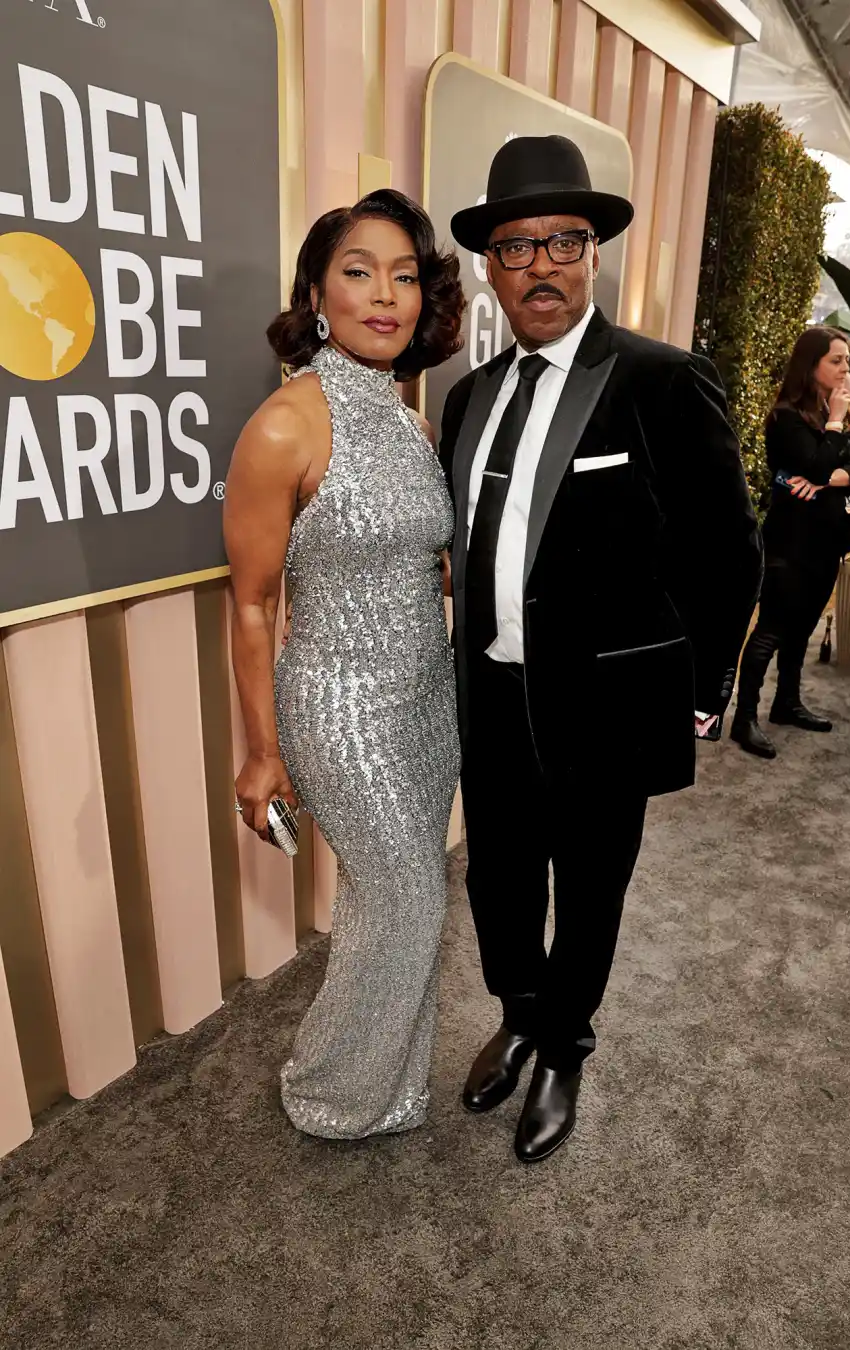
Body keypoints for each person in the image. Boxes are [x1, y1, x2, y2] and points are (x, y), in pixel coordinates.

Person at [440, 135, 763, 1163]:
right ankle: (520, 1014)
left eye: (563, 241)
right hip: (493, 694)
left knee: (589, 888)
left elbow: (729, 552)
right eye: (516, 245)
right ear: (491, 266)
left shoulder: (663, 380)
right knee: (498, 881)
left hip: (609, 706)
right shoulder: (468, 397)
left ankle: (564, 1047)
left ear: (592, 253)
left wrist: (702, 688)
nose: (541, 265)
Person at [224, 189, 465, 1139]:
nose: (386, 294)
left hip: (428, 697)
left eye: (405, 276)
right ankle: (329, 1090)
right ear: (319, 295)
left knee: (392, 897)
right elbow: (251, 603)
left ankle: (391, 1087)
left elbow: (413, 549)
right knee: (409, 897)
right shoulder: (285, 424)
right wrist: (261, 753)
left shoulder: (410, 421)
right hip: (341, 705)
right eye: (359, 272)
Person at [731, 326, 850, 760]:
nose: (845, 369)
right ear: (811, 366)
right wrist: (833, 431)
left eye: (847, 360)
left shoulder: (836, 413)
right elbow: (815, 464)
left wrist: (830, 477)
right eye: (836, 360)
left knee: (803, 630)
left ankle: (787, 704)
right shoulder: (786, 417)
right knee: (771, 630)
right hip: (790, 544)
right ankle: (744, 717)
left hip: (827, 542)